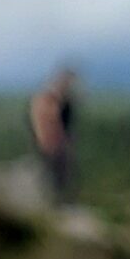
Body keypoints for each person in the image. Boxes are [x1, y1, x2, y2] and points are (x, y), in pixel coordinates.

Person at [28, 65, 80, 201]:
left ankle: (57, 198)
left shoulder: (61, 98)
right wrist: (50, 139)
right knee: (53, 172)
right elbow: (47, 121)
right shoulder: (49, 98)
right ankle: (52, 200)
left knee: (61, 172)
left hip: (57, 140)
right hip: (51, 140)